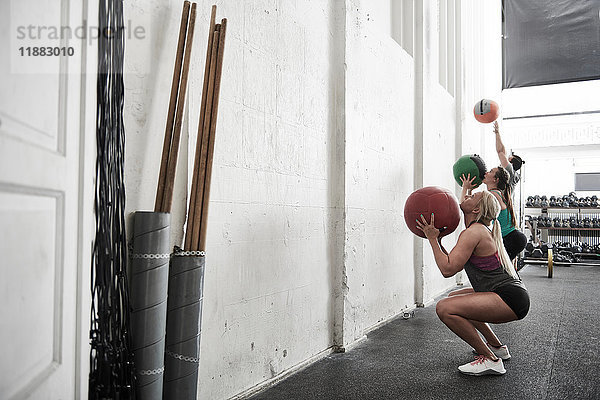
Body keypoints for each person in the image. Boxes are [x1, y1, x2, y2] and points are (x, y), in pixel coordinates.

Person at [416, 190, 529, 376]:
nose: (466, 197)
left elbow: (447, 270)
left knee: (445, 308)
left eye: (472, 197)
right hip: (512, 295)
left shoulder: (474, 232)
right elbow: (452, 263)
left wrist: (432, 240)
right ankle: (496, 346)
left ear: (476, 209)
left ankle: (491, 360)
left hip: (509, 298)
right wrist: (437, 241)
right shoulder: (480, 229)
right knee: (454, 298)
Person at [461, 168, 527, 262]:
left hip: (510, 239)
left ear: (495, 180)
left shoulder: (492, 195)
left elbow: (465, 207)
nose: (486, 172)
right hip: (513, 238)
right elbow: (472, 207)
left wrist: (465, 187)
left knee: (499, 271)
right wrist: (469, 191)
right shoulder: (497, 193)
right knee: (504, 271)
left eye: (491, 171)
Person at [493, 121, 524, 192]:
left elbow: (500, 152)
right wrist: (497, 133)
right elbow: (503, 151)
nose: (507, 158)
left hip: (503, 202)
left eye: (509, 158)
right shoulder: (512, 174)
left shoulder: (509, 170)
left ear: (511, 163)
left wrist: (497, 133)